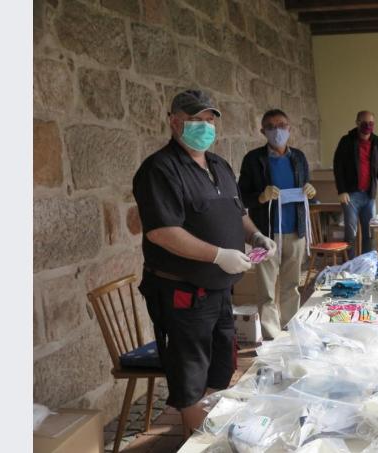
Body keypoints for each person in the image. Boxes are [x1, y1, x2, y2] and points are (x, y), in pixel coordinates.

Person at [133, 89, 277, 435]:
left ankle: (213, 430)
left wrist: (256, 236)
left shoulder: (219, 165)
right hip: (183, 292)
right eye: (197, 119)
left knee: (221, 365)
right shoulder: (160, 169)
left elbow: (238, 213)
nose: (205, 126)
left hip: (219, 290)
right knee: (191, 375)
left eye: (210, 120)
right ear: (174, 121)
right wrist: (217, 255)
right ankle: (197, 440)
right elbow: (162, 232)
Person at [238, 109, 316, 340]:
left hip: (296, 231)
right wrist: (261, 197)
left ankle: (291, 330)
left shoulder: (299, 158)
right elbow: (241, 197)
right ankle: (271, 335)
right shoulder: (253, 160)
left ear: (289, 128)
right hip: (265, 234)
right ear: (263, 131)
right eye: (271, 126)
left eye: (281, 125)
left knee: (292, 286)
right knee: (266, 290)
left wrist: (311, 192)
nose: (277, 130)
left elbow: (306, 189)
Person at [333, 110, 378, 258]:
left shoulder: (376, 143)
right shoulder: (346, 141)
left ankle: (367, 263)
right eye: (364, 122)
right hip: (350, 196)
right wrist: (341, 190)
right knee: (351, 233)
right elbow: (338, 166)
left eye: (371, 123)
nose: (368, 126)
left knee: (369, 233)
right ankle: (350, 264)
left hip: (369, 196)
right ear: (357, 123)